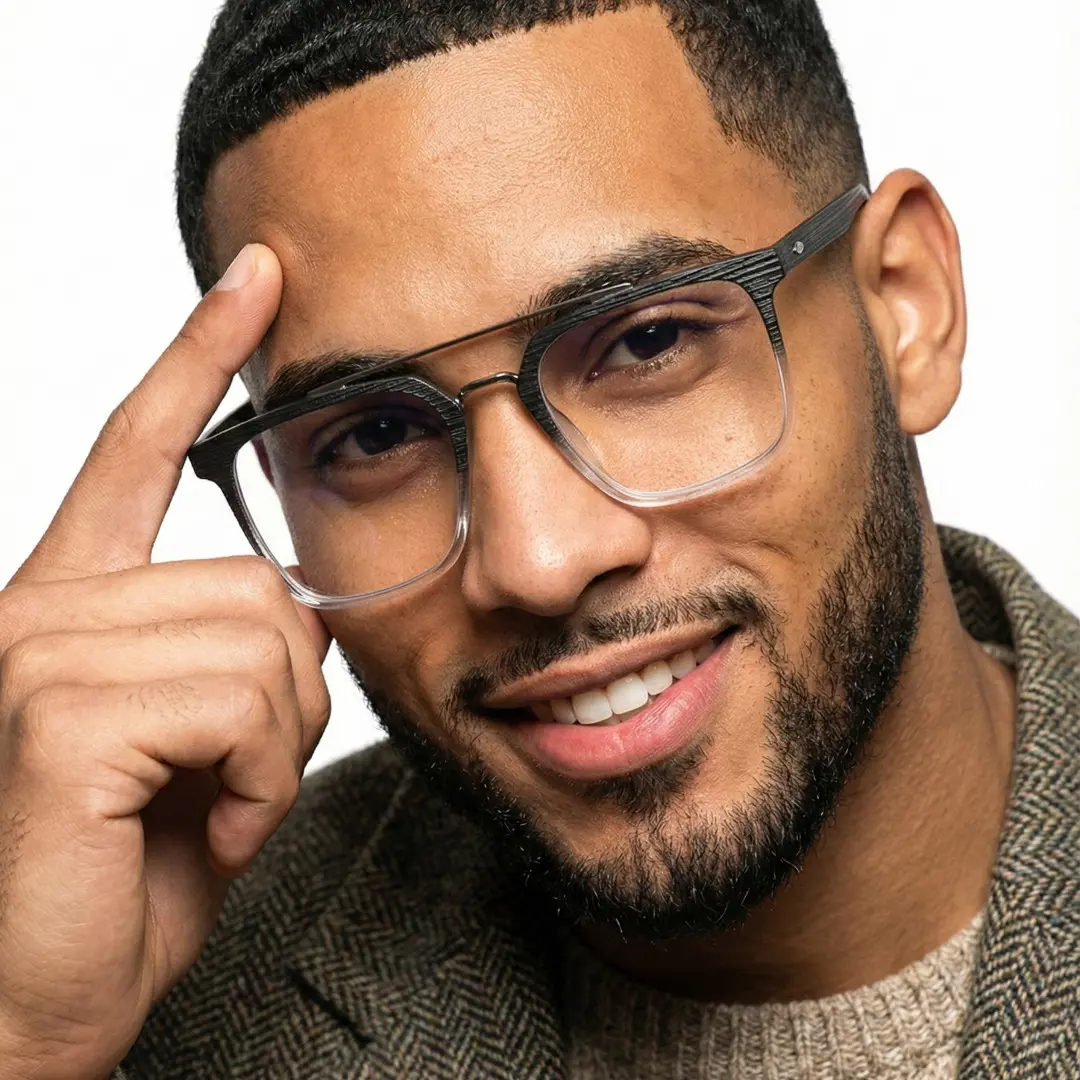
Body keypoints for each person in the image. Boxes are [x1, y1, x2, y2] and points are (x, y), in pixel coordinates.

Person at [0, 1, 1076, 1077]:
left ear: (905, 304)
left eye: (648, 343)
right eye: (377, 433)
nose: (538, 560)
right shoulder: (149, 1002)